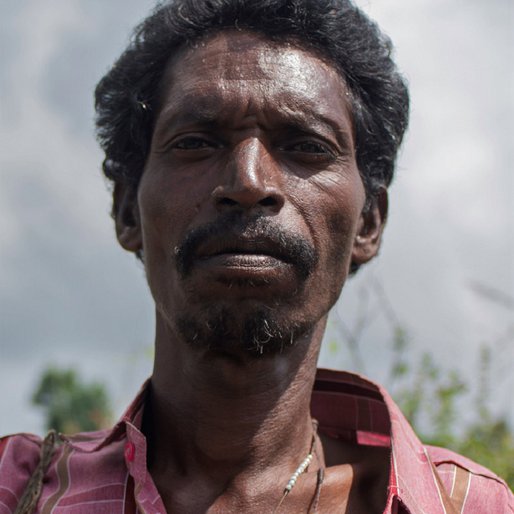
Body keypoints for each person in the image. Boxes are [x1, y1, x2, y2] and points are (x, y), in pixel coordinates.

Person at [1, 1, 512, 513]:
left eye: (307, 146)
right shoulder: (14, 490)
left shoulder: (470, 506)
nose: (248, 182)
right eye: (196, 142)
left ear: (368, 222)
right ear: (127, 211)